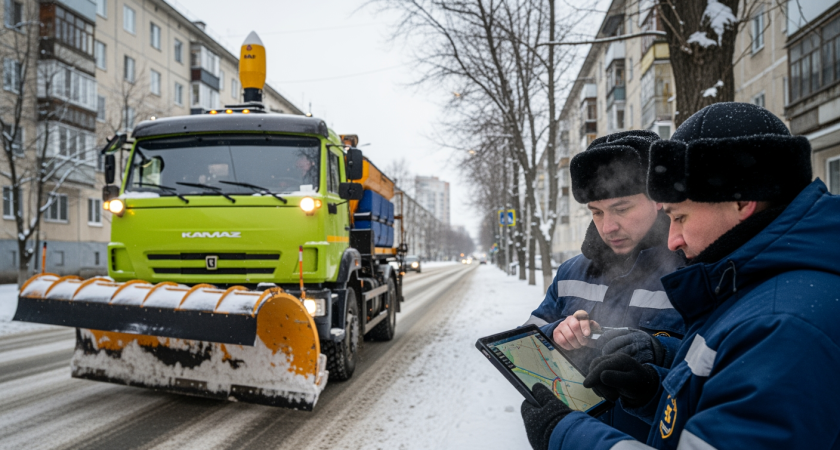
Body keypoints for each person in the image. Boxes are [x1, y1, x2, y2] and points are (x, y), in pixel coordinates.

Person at [521, 102, 840, 450]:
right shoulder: (739, 282)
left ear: (742, 200)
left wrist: (568, 435)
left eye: (680, 217)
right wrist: (650, 390)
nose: (674, 238)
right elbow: (713, 392)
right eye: (596, 212)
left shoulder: (777, 320)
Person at [524, 130, 686, 441]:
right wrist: (556, 333)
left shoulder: (692, 272)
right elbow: (527, 345)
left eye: (621, 209)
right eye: (597, 212)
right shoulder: (571, 272)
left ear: (658, 201)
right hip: (575, 440)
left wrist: (659, 352)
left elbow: (721, 367)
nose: (607, 227)